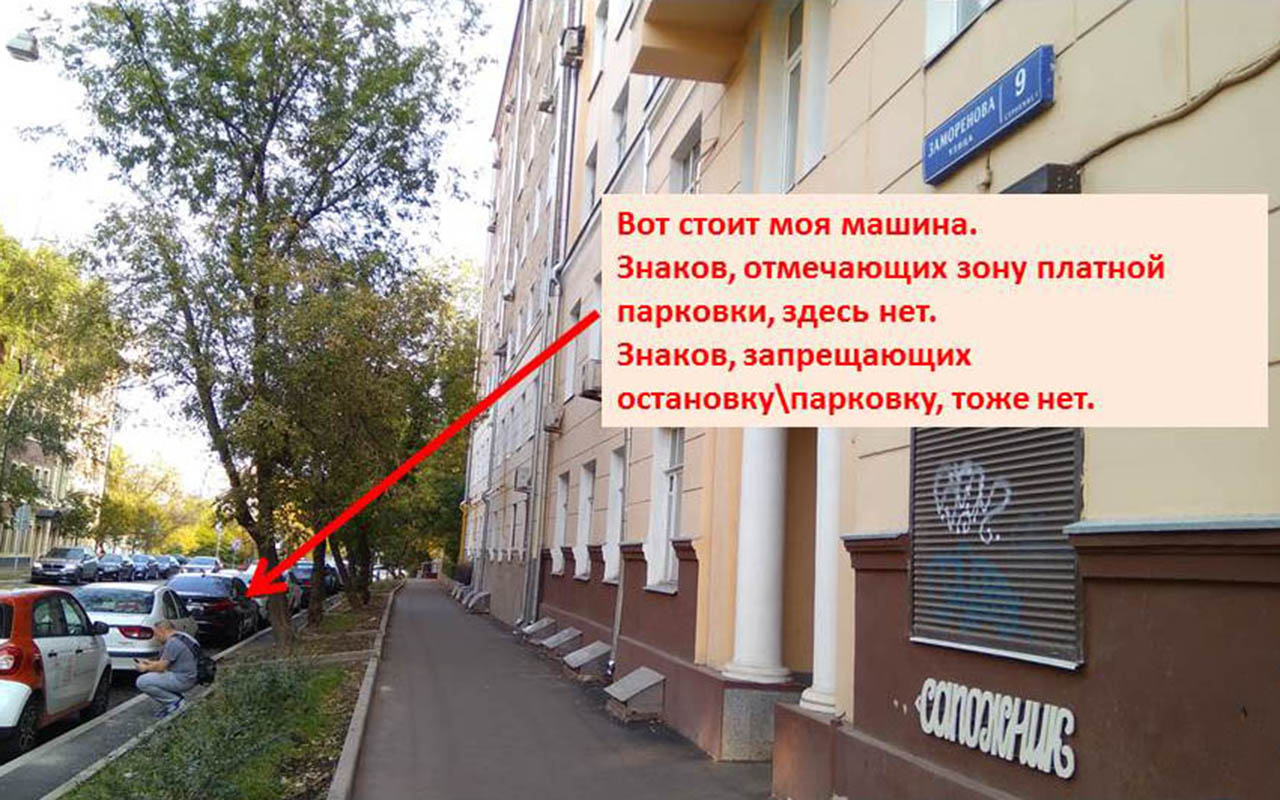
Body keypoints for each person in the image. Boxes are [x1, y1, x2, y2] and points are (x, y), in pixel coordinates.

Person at [135, 619, 199, 717]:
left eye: (156, 634)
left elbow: (160, 667)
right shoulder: (184, 637)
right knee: (156, 677)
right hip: (192, 676)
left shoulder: (173, 642)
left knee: (142, 681)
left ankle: (175, 703)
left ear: (162, 631)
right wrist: (150, 663)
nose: (156, 638)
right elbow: (166, 662)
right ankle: (176, 699)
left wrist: (145, 668)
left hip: (183, 679)